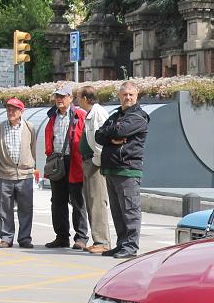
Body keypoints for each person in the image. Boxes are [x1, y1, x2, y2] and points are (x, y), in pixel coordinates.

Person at [95, 81, 148, 259]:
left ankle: (130, 247)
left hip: (127, 170)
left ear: (137, 96)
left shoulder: (139, 117)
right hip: (111, 170)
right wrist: (111, 137)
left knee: (130, 211)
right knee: (117, 212)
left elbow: (120, 131)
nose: (128, 98)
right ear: (119, 96)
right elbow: (98, 135)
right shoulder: (115, 115)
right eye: (124, 94)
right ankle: (121, 244)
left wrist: (111, 133)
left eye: (131, 94)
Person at [44, 84, 89, 250]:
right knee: (57, 201)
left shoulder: (80, 114)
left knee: (78, 201)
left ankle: (81, 237)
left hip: (75, 161)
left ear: (71, 98)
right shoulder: (52, 116)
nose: (59, 99)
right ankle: (62, 237)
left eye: (63, 96)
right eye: (57, 96)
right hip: (57, 161)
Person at [0, 98, 38, 249]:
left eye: (14, 109)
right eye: (9, 109)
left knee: (26, 208)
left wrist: (29, 166)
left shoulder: (29, 127)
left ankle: (24, 238)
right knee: (5, 208)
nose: (11, 112)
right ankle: (6, 237)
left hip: (25, 174)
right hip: (6, 173)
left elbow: (32, 148)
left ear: (21, 111)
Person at [77, 85, 113, 254]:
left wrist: (96, 161)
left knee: (97, 201)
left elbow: (101, 140)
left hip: (95, 163)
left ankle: (102, 241)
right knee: (91, 201)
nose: (78, 101)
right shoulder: (91, 113)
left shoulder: (98, 113)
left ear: (85, 98)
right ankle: (97, 239)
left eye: (79, 97)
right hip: (89, 162)